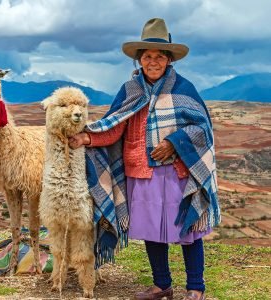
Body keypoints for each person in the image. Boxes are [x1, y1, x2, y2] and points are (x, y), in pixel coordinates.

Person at [69, 18, 220, 300]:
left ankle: (195, 287)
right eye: (148, 56)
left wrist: (173, 143)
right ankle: (162, 285)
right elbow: (114, 126)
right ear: (139, 60)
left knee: (188, 230)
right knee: (152, 232)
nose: (153, 61)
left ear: (169, 59)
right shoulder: (130, 90)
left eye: (159, 56)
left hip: (178, 173)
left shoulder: (183, 89)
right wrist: (86, 138)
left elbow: (203, 129)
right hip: (141, 172)